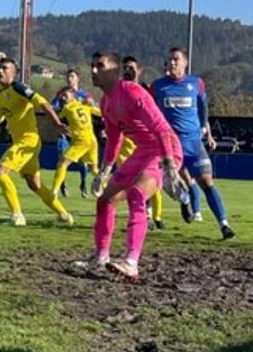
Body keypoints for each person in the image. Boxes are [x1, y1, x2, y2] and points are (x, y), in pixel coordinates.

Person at [81, 51, 187, 281]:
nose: (94, 70)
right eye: (92, 66)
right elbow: (114, 140)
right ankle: (101, 257)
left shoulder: (131, 91)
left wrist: (169, 168)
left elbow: (160, 129)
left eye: (100, 66)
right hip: (142, 152)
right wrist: (105, 171)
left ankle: (131, 262)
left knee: (137, 194)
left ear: (115, 70)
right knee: (105, 201)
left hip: (164, 149)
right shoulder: (106, 101)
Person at [0, 58, 72, 226]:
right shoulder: (2, 97)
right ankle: (64, 215)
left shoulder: (19, 88)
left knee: (0, 172)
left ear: (13, 73)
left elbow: (43, 102)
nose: (0, 71)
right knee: (34, 184)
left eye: (5, 68)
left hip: (27, 140)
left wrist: (56, 123)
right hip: (25, 142)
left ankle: (17, 215)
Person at [153, 47, 235, 240]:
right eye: (169, 59)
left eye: (176, 59)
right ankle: (184, 199)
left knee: (207, 183)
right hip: (170, 145)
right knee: (169, 181)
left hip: (194, 143)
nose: (172, 63)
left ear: (185, 63)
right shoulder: (158, 86)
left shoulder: (196, 83)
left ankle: (224, 224)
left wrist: (206, 129)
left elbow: (203, 106)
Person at [120, 56, 168, 230]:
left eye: (131, 67)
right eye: (125, 67)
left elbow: (156, 116)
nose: (128, 70)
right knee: (131, 184)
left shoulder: (147, 90)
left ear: (139, 71)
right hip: (126, 143)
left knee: (152, 183)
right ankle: (141, 218)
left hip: (147, 143)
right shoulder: (118, 91)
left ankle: (157, 216)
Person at [50, 88, 101, 202]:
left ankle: (54, 191)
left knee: (63, 162)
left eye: (65, 96)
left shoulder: (67, 108)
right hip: (92, 140)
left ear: (73, 96)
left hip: (81, 140)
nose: (63, 98)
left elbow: (56, 117)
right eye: (62, 96)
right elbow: (99, 112)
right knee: (94, 169)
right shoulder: (84, 105)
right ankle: (108, 188)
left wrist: (51, 108)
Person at [50, 69, 92, 197]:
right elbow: (54, 107)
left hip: (80, 134)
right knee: (61, 158)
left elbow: (92, 108)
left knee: (83, 162)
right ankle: (61, 185)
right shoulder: (61, 94)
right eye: (68, 76)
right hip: (65, 132)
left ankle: (84, 183)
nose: (69, 79)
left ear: (77, 79)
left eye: (72, 76)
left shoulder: (85, 95)